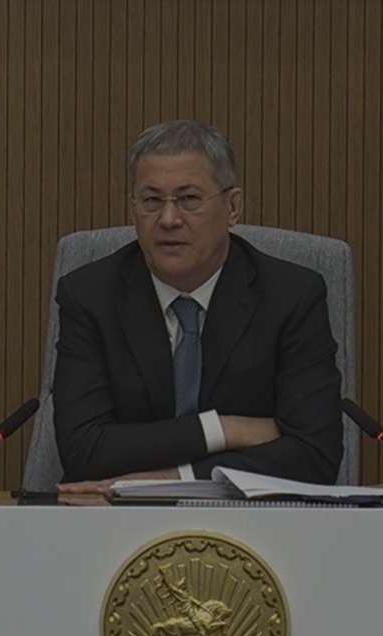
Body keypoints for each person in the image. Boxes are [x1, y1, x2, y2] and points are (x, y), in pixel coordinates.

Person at [53, 120, 343, 492]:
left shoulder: (291, 296)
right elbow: (83, 451)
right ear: (133, 209)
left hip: (251, 519)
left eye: (189, 199)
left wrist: (170, 479)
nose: (168, 219)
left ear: (232, 207)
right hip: (115, 519)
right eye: (151, 201)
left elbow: (314, 456)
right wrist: (223, 429)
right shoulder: (90, 296)